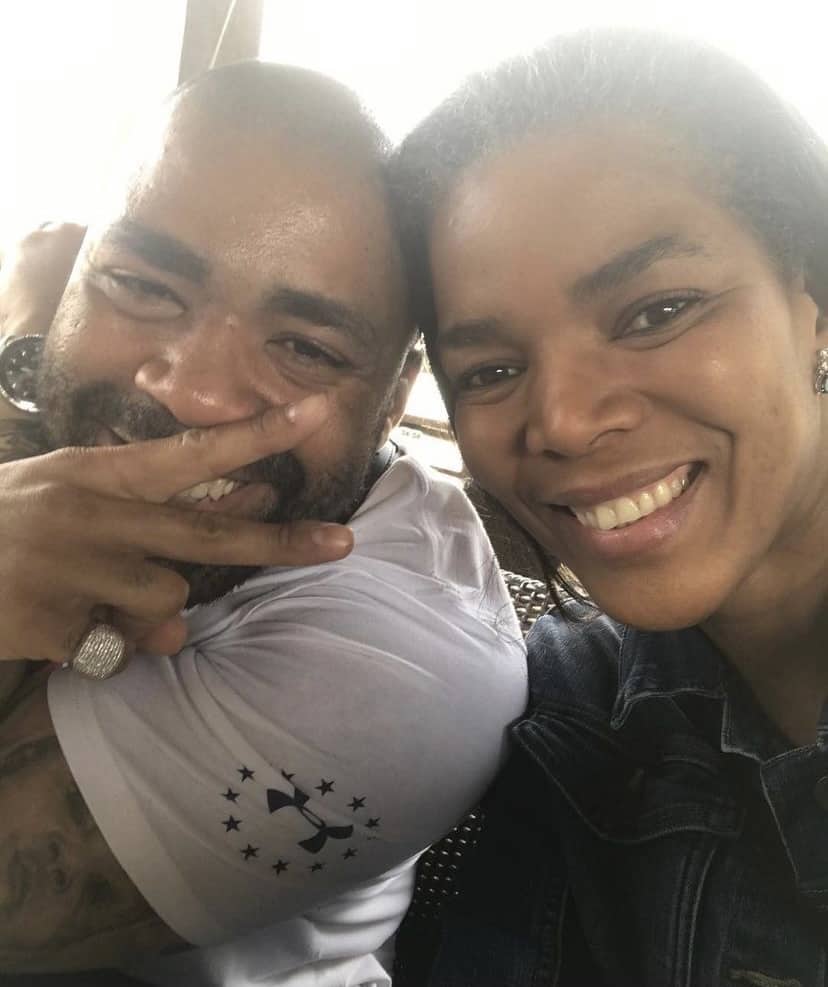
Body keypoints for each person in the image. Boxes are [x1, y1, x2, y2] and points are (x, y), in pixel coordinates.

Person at [0, 61, 527, 986]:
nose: (195, 393)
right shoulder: (55, 389)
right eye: (142, 285)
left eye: (305, 347)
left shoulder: (404, 661)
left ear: (393, 397)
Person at [391, 28, 828, 986]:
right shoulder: (568, 714)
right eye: (491, 370)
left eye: (657, 312)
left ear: (814, 304)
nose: (564, 420)